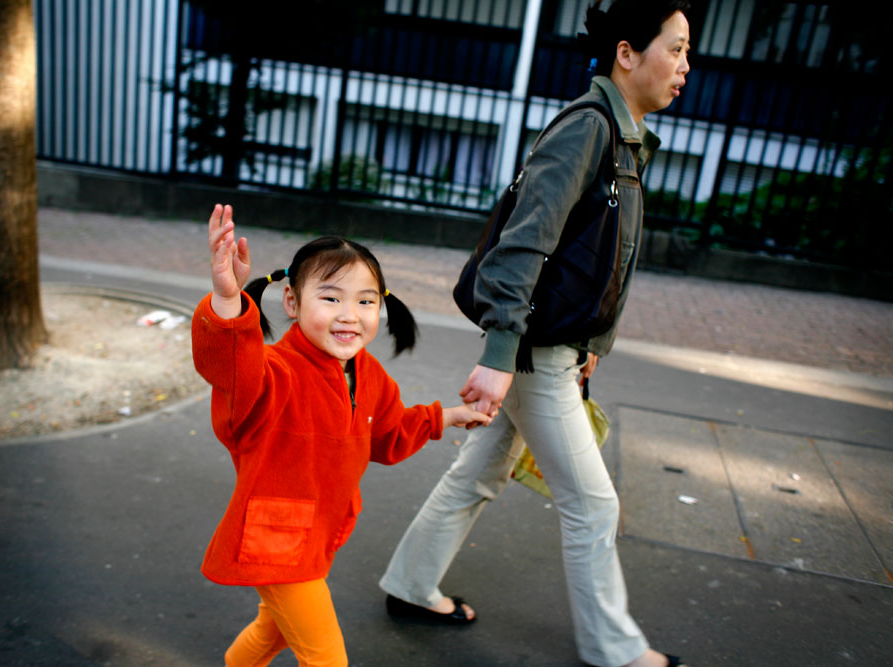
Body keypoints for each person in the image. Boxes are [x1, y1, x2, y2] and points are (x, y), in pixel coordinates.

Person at [379, 2, 691, 666]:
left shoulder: (623, 135)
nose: (685, 66)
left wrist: (590, 347)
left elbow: (600, 261)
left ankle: (409, 583)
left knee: (480, 470)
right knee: (593, 506)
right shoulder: (590, 130)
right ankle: (616, 650)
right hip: (528, 350)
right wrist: (498, 355)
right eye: (677, 49)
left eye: (688, 53)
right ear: (627, 54)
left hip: (548, 347)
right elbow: (524, 247)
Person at [192, 203, 490, 667]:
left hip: (318, 537)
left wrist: (445, 417)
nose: (349, 314)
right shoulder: (274, 372)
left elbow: (389, 434)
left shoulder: (368, 375)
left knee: (272, 633)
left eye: (365, 301)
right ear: (291, 301)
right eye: (330, 298)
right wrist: (228, 299)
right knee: (326, 659)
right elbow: (231, 369)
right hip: (277, 544)